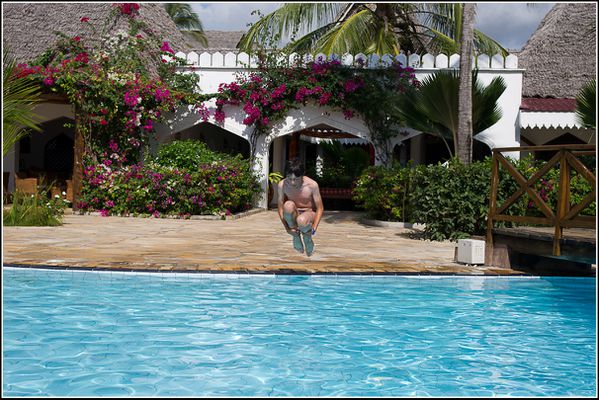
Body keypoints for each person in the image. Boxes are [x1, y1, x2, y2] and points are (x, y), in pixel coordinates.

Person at [277, 158, 324, 257]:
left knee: (301, 220)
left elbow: (320, 208)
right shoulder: (282, 185)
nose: (292, 182)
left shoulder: (312, 185)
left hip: (309, 213)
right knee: (287, 206)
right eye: (290, 179)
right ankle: (296, 235)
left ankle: (307, 238)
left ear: (302, 176)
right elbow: (280, 208)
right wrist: (287, 229)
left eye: (296, 179)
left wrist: (314, 228)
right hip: (294, 214)